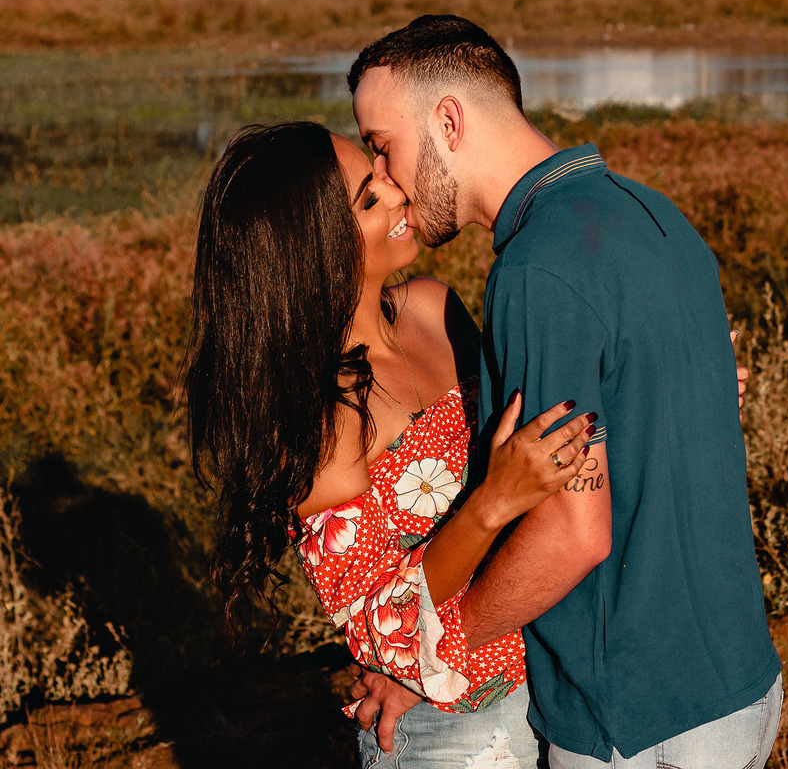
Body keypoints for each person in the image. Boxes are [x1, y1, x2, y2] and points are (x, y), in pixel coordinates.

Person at [347, 15, 782, 768]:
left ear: (448, 121)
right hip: (737, 682)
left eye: (383, 146)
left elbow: (573, 533)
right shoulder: (652, 213)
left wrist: (428, 657)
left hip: (634, 717)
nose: (385, 177)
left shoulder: (536, 271)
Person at [183, 120, 599, 767]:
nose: (399, 192)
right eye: (369, 199)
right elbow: (377, 618)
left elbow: (552, 442)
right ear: (314, 248)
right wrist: (492, 503)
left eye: (379, 173)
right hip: (450, 731)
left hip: (555, 679)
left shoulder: (434, 309)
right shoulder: (320, 417)